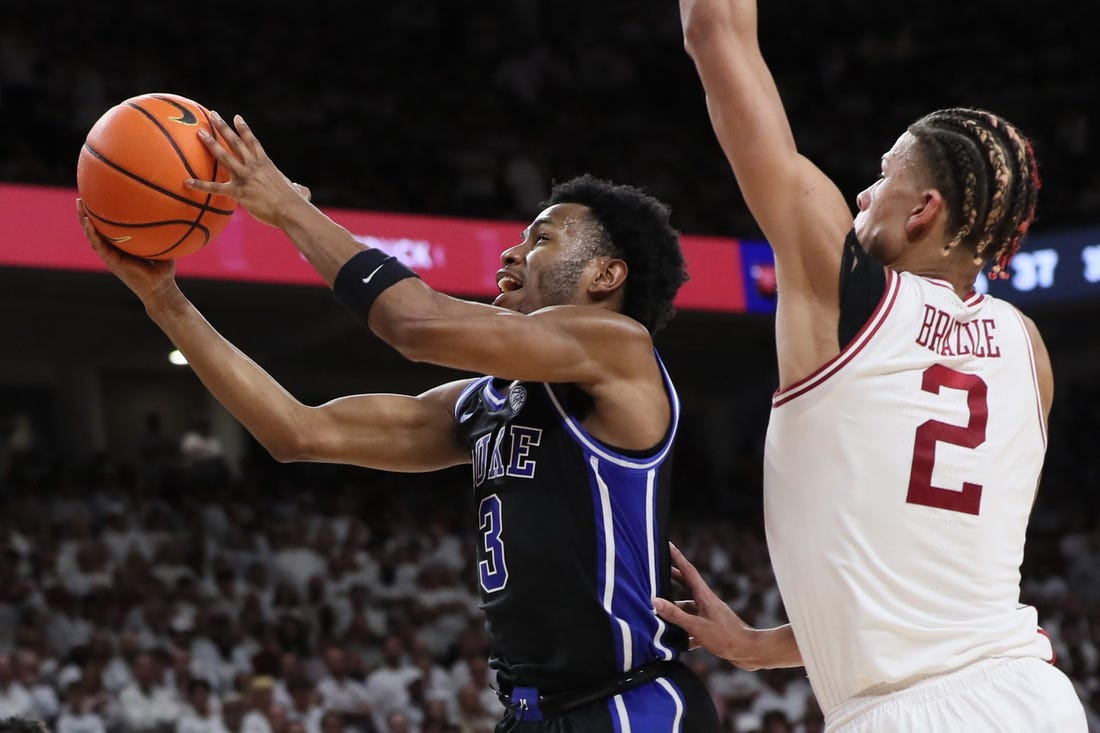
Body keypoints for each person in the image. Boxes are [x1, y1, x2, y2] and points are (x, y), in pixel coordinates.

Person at [76, 107, 721, 731]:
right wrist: (164, 301)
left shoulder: (621, 348)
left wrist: (288, 210)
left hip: (630, 708)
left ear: (607, 275)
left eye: (542, 238)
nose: (513, 253)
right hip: (533, 712)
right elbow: (299, 433)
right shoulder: (484, 403)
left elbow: (413, 324)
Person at [653, 0, 1090, 731]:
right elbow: (934, 591)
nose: (860, 193)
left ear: (922, 210)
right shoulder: (1028, 348)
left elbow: (714, 30)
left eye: (882, 176)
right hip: (1032, 696)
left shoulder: (847, 292)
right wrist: (766, 648)